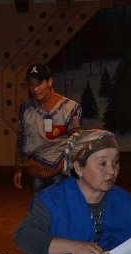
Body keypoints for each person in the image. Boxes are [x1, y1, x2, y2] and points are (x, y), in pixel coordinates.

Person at [14, 129, 131, 254]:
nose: (112, 171)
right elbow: (25, 236)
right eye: (102, 163)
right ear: (79, 168)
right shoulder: (52, 201)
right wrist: (73, 247)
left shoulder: (126, 203)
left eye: (115, 162)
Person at [14, 63, 82, 193]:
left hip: (61, 172)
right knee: (41, 205)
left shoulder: (68, 108)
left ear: (49, 82)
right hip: (36, 173)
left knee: (60, 205)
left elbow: (77, 141)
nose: (35, 89)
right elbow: (21, 140)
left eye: (39, 84)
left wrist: (71, 168)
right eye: (31, 84)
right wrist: (18, 169)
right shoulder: (26, 109)